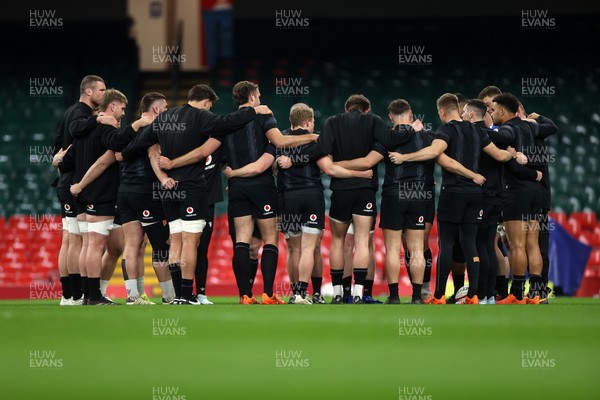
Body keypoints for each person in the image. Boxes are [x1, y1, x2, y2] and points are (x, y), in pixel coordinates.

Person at [124, 83, 272, 304]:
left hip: (169, 190)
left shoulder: (165, 118)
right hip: (191, 187)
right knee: (190, 242)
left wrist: (158, 171)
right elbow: (226, 123)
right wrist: (253, 110)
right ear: (205, 102)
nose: (210, 110)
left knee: (175, 242)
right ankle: (185, 294)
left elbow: (134, 148)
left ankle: (176, 296)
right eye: (210, 106)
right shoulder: (202, 117)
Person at [389, 93, 517, 304]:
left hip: (454, 192)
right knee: (471, 244)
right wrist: (512, 153)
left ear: (442, 112)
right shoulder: (478, 131)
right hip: (476, 195)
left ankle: (438, 295)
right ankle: (475, 295)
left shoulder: (445, 130)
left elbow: (437, 154)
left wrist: (405, 157)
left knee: (447, 243)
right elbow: (500, 156)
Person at [489, 93, 557, 304]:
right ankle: (536, 293)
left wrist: (509, 152)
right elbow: (551, 127)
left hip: (516, 191)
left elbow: (494, 138)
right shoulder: (530, 126)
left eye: (493, 111)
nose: (492, 115)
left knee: (517, 245)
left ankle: (517, 294)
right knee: (532, 244)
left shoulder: (507, 129)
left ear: (502, 111)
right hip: (535, 191)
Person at [51, 75, 106, 305]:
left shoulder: (70, 112)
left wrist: (58, 165)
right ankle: (75, 294)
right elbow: (69, 148)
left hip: (66, 181)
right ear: (89, 91)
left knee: (70, 239)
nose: (105, 93)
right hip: (74, 182)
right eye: (102, 89)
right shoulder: (80, 114)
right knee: (76, 240)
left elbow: (57, 147)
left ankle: (69, 295)